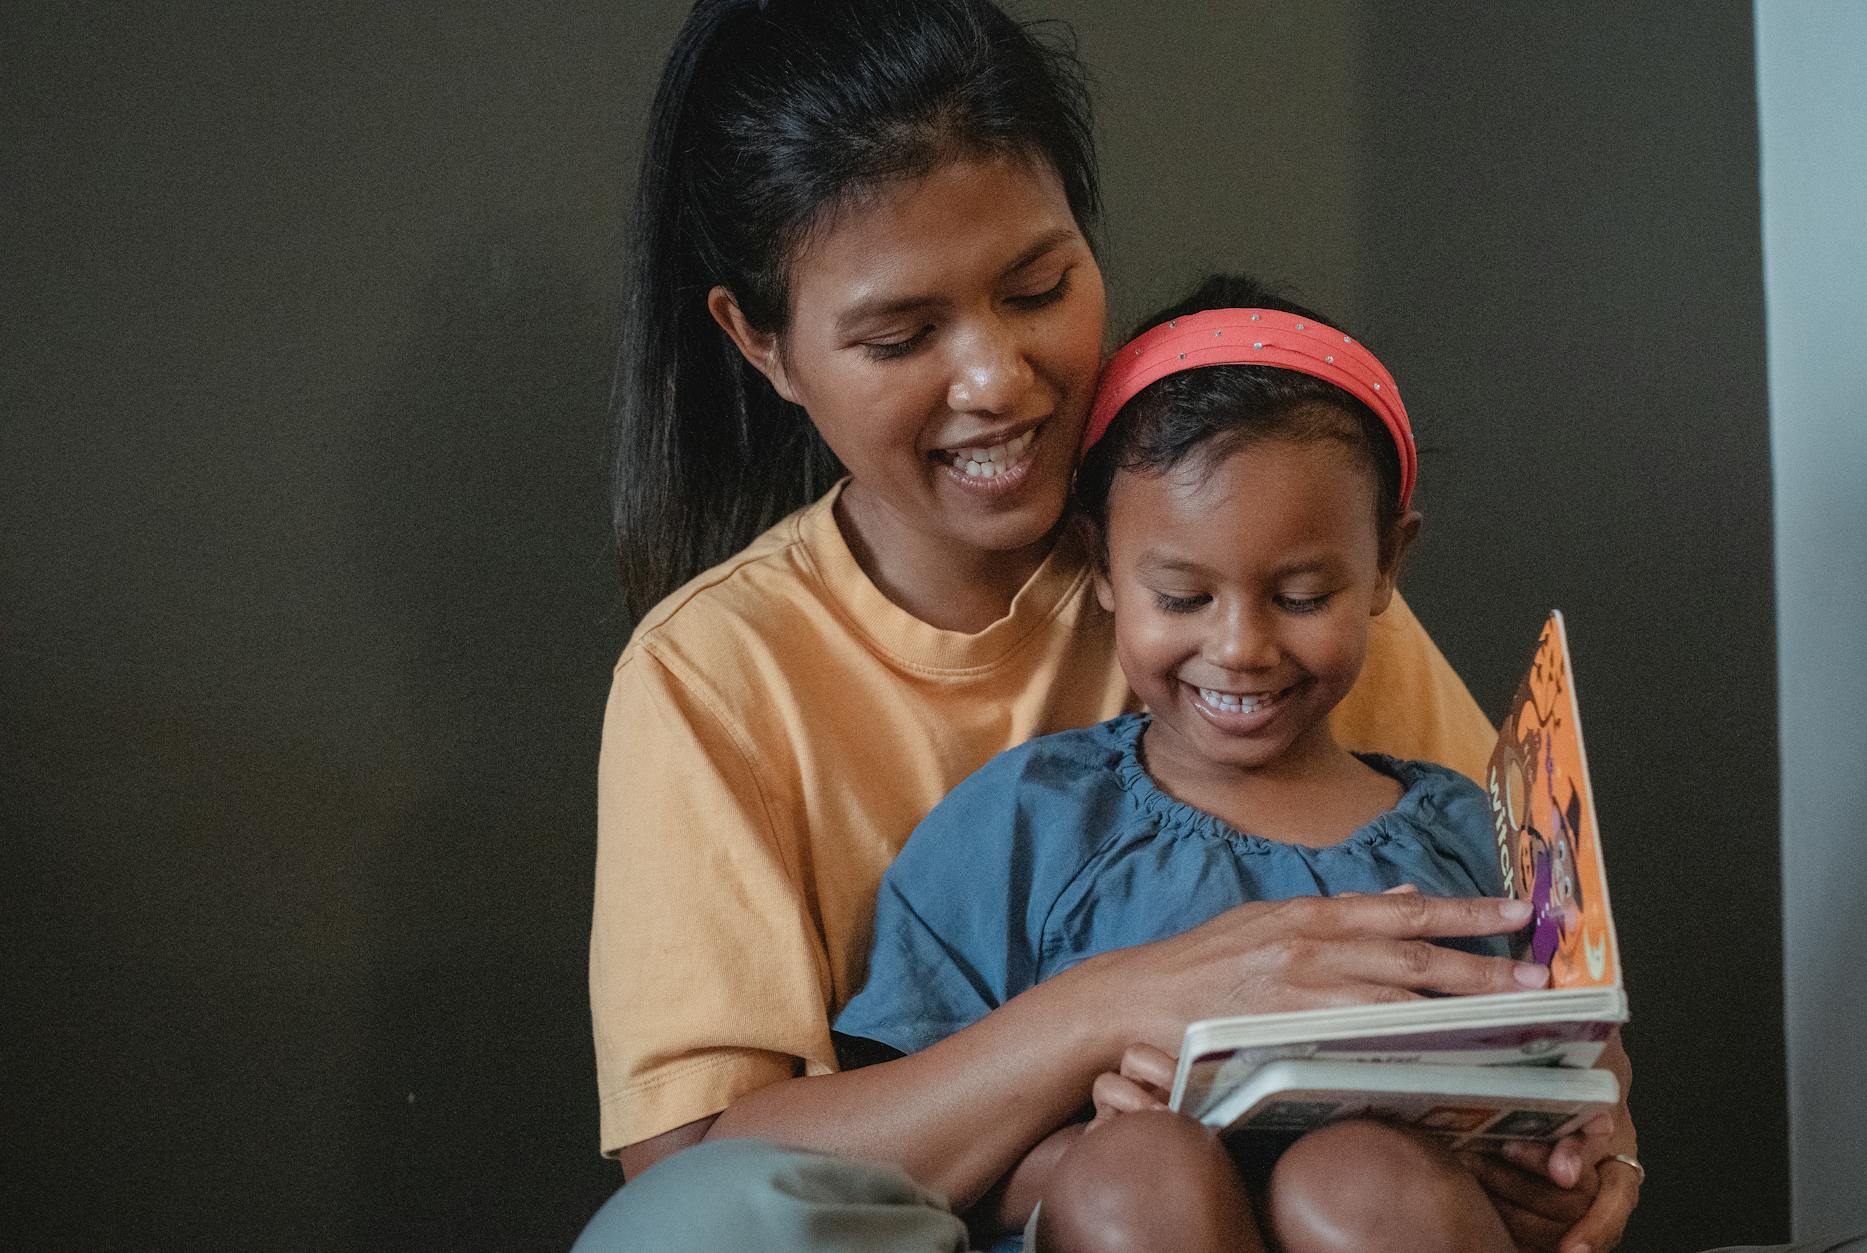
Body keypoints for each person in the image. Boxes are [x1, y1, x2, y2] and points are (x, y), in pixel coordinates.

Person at [579, 1, 1639, 1249]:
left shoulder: (1260, 537)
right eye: (901, 334)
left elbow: (1517, 955)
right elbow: (695, 1179)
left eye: (1036, 287)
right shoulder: (714, 674)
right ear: (761, 340)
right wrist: (1112, 1008)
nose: (996, 379)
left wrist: (1578, 1125)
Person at [832, 274, 1639, 1252]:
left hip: (1394, 1215)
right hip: (1122, 1210)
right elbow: (892, 1157)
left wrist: (1574, 1143)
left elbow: (1580, 1056)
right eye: (1181, 597)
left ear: (1383, 563)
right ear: (1099, 565)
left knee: (1358, 1178)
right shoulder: (1025, 825)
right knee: (1140, 1168)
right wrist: (1077, 1143)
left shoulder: (1475, 839)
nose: (1241, 646)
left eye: (1299, 595)